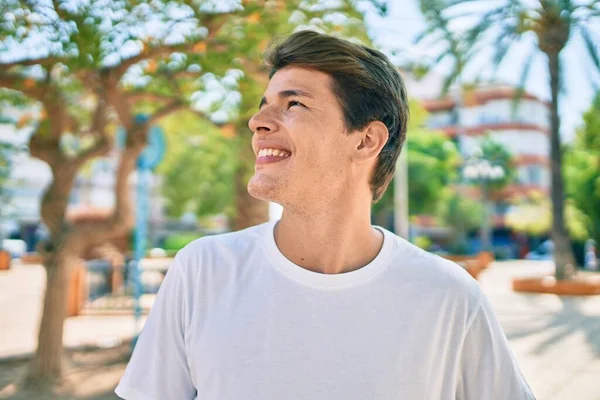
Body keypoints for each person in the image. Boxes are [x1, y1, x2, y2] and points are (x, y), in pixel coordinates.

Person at [115, 30, 535, 400]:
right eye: (264, 105)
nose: (257, 121)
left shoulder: (449, 298)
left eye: (293, 103)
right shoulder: (202, 271)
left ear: (366, 140)